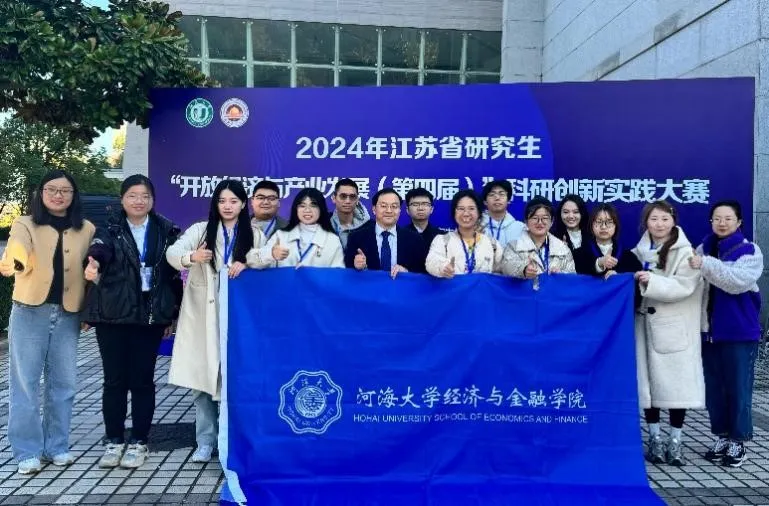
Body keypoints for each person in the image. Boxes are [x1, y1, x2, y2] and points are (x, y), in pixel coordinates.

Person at [82, 175, 182, 469]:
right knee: (114, 380)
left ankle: (139, 441)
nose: (139, 201)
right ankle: (113, 440)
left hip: (149, 317)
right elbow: (100, 249)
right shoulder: (110, 226)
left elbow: (172, 275)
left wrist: (171, 312)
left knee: (142, 381)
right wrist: (94, 262)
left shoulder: (166, 229)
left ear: (153, 200)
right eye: (133, 196)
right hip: (113, 315)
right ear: (122, 199)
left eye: (145, 196)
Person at [0, 170, 95, 474]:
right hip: (29, 311)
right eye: (52, 189)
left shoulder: (86, 228)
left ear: (73, 196)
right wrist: (14, 261)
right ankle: (27, 451)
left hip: (69, 314)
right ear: (41, 193)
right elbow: (18, 246)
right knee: (25, 384)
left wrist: (87, 312)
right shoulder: (25, 223)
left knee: (63, 384)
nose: (58, 195)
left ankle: (57, 446)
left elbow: (91, 271)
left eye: (65, 191)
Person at [166, 179, 264, 463]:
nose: (228, 206)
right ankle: (205, 441)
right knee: (203, 383)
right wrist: (192, 256)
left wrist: (249, 262)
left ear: (243, 204)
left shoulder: (255, 235)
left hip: (239, 319)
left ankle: (231, 441)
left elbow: (269, 261)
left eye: (234, 201)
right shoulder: (200, 230)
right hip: (204, 318)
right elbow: (172, 254)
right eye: (222, 201)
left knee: (236, 382)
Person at [689, 200, 763, 468]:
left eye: (728, 218)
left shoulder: (749, 250)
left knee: (738, 389)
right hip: (709, 333)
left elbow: (735, 282)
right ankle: (722, 436)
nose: (722, 223)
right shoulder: (703, 248)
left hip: (738, 333)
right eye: (717, 218)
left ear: (739, 222)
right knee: (715, 390)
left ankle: (738, 441)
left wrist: (705, 264)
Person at [631, 200, 704, 467]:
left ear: (673, 220)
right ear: (645, 223)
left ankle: (676, 441)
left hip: (673, 328)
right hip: (644, 327)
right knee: (649, 387)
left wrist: (652, 281)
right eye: (653, 219)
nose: (659, 224)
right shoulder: (638, 251)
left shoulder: (686, 253)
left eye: (664, 219)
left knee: (675, 387)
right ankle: (654, 439)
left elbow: (685, 286)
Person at [251, 188, 344, 268]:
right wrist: (271, 254)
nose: (307, 210)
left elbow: (337, 275)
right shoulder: (281, 235)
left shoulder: (332, 240)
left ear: (321, 209)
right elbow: (251, 261)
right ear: (296, 209)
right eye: (302, 206)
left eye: (313, 206)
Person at [344, 188, 426, 277]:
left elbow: (422, 273)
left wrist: (407, 272)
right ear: (374, 209)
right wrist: (356, 266)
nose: (389, 211)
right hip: (368, 285)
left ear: (399, 210)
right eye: (383, 206)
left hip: (402, 285)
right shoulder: (356, 238)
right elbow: (346, 271)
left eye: (394, 206)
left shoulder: (414, 239)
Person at [426, 190, 502, 277]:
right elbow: (431, 261)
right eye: (461, 209)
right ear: (454, 213)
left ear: (479, 213)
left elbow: (503, 271)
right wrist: (443, 267)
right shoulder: (442, 241)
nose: (466, 213)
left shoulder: (492, 244)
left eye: (471, 208)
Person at [500, 196, 575, 283]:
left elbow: (572, 279)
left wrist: (561, 275)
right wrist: (523, 269)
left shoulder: (562, 249)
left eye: (545, 218)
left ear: (552, 221)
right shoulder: (513, 246)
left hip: (553, 291)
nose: (540, 222)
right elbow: (506, 267)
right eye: (534, 218)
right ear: (526, 221)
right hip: (525, 292)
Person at [573, 203, 642, 279]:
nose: (603, 227)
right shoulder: (579, 254)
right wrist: (599, 263)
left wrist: (619, 276)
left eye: (609, 222)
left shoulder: (629, 256)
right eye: (599, 222)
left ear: (616, 225)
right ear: (591, 225)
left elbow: (638, 277)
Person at [480, 179, 524, 247]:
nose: (497, 198)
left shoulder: (520, 228)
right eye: (492, 194)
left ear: (508, 200)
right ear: (485, 202)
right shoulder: (477, 226)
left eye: (501, 194)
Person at [330, 178, 371, 250]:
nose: (348, 201)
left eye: (352, 197)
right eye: (343, 196)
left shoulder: (370, 227)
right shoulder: (324, 225)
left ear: (357, 200)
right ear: (334, 198)